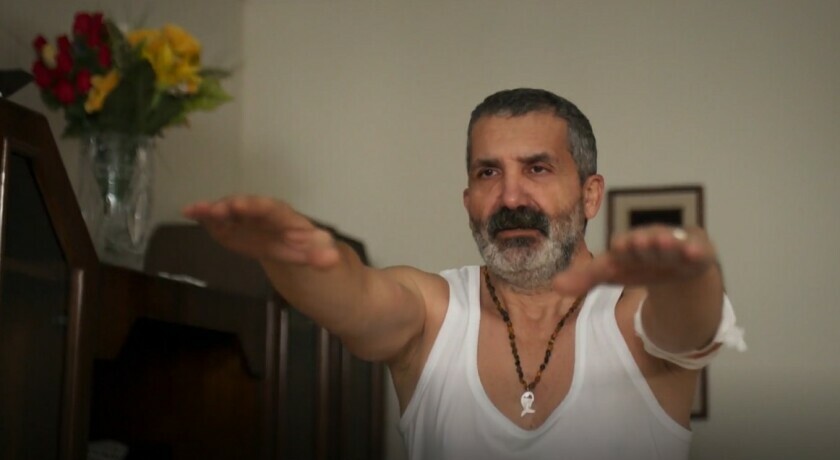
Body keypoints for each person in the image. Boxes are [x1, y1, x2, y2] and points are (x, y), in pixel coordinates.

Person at [183, 88, 745, 459]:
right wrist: (286, 256)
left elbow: (686, 324)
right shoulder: (433, 311)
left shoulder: (630, 313)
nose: (511, 197)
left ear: (590, 194)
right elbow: (355, 300)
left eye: (538, 168)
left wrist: (691, 272)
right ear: (468, 198)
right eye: (488, 173)